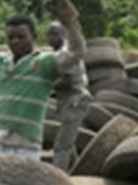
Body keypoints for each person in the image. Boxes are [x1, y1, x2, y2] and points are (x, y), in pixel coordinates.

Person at [0, 0, 85, 160]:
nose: (15, 41)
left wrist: (70, 22)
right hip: (0, 144)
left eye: (21, 37)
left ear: (33, 37)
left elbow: (76, 51)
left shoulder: (44, 64)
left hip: (27, 148)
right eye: (11, 37)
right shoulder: (0, 63)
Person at [47, 21, 91, 171]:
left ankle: (57, 179)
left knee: (62, 144)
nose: (50, 38)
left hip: (75, 101)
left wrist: (45, 85)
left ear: (64, 35)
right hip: (70, 102)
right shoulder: (60, 53)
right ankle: (80, 170)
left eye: (55, 33)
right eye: (49, 34)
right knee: (68, 140)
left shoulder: (67, 53)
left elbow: (68, 81)